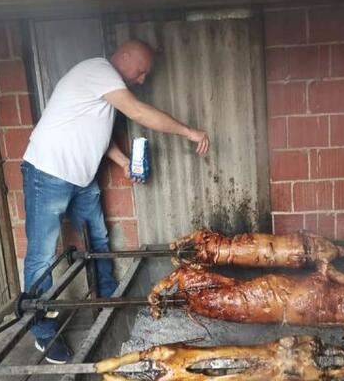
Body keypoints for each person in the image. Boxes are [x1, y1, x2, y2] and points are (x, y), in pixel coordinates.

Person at [20, 40, 209, 364]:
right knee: (41, 255)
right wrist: (188, 131)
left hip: (81, 177)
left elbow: (94, 131)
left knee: (99, 241)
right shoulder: (98, 69)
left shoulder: (104, 85)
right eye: (141, 71)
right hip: (48, 173)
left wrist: (121, 162)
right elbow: (137, 111)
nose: (142, 80)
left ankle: (108, 310)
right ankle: (44, 335)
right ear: (125, 57)